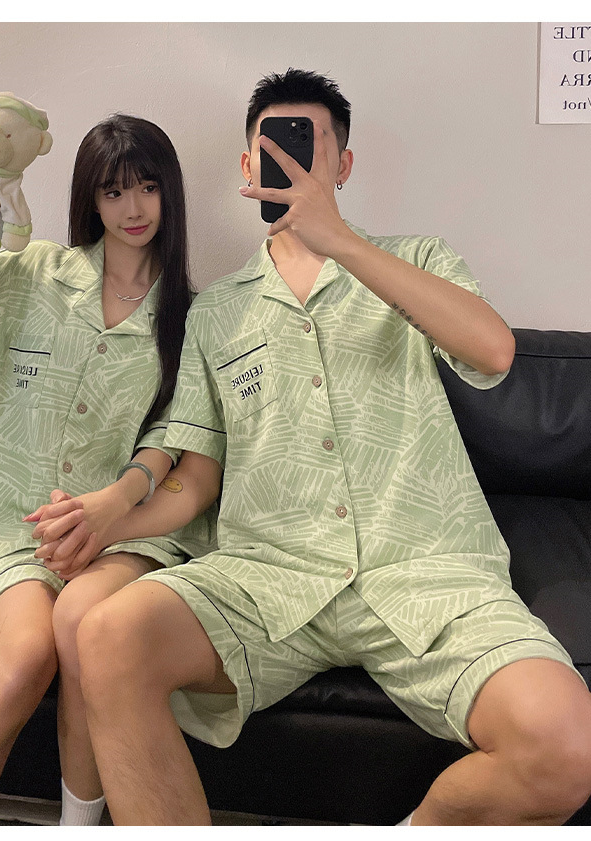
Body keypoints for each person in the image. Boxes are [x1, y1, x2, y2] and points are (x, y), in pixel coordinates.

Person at [35, 69, 591, 825]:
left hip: (425, 571)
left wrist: (339, 241)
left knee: (566, 745)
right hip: (270, 575)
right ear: (246, 166)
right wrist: (111, 520)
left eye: (309, 148)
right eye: (272, 150)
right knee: (107, 634)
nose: (290, 165)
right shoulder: (217, 313)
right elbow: (197, 478)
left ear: (343, 165)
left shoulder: (417, 259)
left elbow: (492, 350)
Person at [0, 114, 215, 826]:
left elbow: (174, 433)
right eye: (113, 191)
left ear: (170, 193)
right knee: (26, 655)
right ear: (90, 198)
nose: (132, 208)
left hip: (123, 529)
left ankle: (74, 827)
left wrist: (113, 505)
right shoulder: (26, 274)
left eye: (148, 188)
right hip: (15, 524)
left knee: (84, 623)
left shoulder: (191, 314)